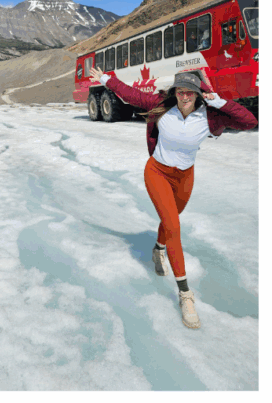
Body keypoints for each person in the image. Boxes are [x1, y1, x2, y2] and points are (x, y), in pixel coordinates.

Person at [88, 68, 257, 328]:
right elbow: (130, 94)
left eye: (190, 91)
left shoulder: (210, 115)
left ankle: (158, 250)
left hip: (185, 177)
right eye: (180, 91)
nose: (185, 96)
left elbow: (249, 122)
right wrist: (105, 79)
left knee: (171, 220)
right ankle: (185, 295)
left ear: (199, 93)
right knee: (174, 226)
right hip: (157, 171)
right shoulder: (162, 105)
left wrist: (219, 101)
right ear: (175, 92)